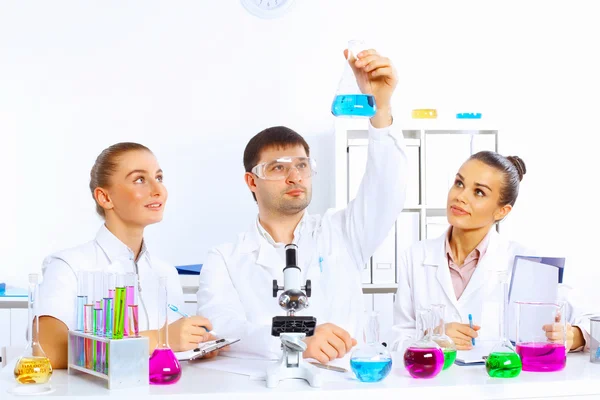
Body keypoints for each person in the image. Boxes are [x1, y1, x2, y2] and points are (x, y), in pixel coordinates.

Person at [196, 48, 408, 364]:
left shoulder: (343, 233)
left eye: (302, 165)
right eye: (278, 168)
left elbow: (387, 189)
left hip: (342, 386)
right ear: (251, 181)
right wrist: (299, 337)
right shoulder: (225, 259)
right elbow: (223, 328)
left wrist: (382, 108)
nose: (295, 176)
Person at [37, 142, 217, 369]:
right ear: (105, 198)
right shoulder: (68, 266)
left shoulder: (166, 273)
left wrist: (196, 344)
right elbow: (48, 350)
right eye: (140, 179)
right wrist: (161, 339)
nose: (158, 190)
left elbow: (166, 355)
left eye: (159, 178)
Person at [392, 151, 590, 352]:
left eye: (479, 192)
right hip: (434, 382)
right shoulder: (415, 257)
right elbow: (398, 341)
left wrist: (576, 336)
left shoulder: (528, 265)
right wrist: (431, 338)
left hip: (497, 381)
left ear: (502, 211)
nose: (460, 196)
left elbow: (589, 322)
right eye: (459, 183)